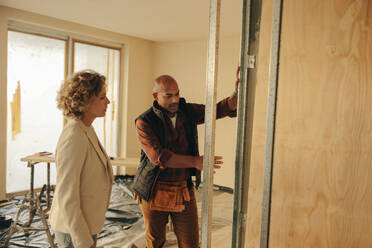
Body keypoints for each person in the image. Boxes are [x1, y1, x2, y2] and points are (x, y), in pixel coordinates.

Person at [133, 68, 239, 248]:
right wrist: (196, 162)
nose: (175, 100)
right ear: (155, 95)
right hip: (153, 189)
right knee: (156, 242)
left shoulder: (186, 111)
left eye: (177, 94)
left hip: (183, 187)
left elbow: (218, 110)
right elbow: (160, 157)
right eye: (168, 96)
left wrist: (237, 92)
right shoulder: (145, 121)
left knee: (191, 243)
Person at [49, 70, 113, 248]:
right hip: (73, 231)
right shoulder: (74, 135)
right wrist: (83, 241)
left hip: (86, 225)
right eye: (102, 97)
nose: (108, 102)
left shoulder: (86, 128)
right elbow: (67, 195)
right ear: (85, 101)